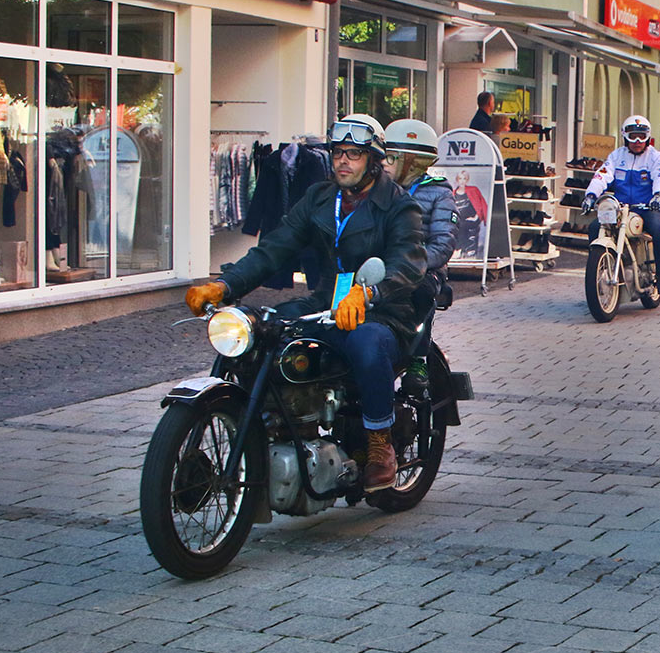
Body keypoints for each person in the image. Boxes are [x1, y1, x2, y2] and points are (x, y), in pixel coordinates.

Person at [183, 115, 426, 492]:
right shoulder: (319, 198)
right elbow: (274, 249)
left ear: (373, 159)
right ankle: (267, 421)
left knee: (366, 342)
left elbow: (407, 263)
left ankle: (380, 444)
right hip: (325, 304)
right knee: (256, 329)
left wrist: (367, 293)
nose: (343, 161)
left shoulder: (398, 206)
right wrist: (224, 286)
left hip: (383, 311)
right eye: (338, 152)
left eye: (355, 154)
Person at [384, 118, 457, 388]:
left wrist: (410, 264)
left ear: (411, 161)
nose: (384, 163)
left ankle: (418, 359)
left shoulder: (439, 192)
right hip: (381, 266)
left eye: (391, 158)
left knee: (421, 292)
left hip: (423, 270)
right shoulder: (380, 191)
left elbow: (443, 245)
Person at [582, 115, 660, 293]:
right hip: (619, 207)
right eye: (632, 136)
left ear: (648, 137)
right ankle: (598, 267)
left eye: (641, 136)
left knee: (657, 228)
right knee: (594, 227)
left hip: (646, 206)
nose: (637, 141)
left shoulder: (656, 157)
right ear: (625, 136)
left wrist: (658, 196)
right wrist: (591, 195)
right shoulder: (616, 156)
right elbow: (603, 175)